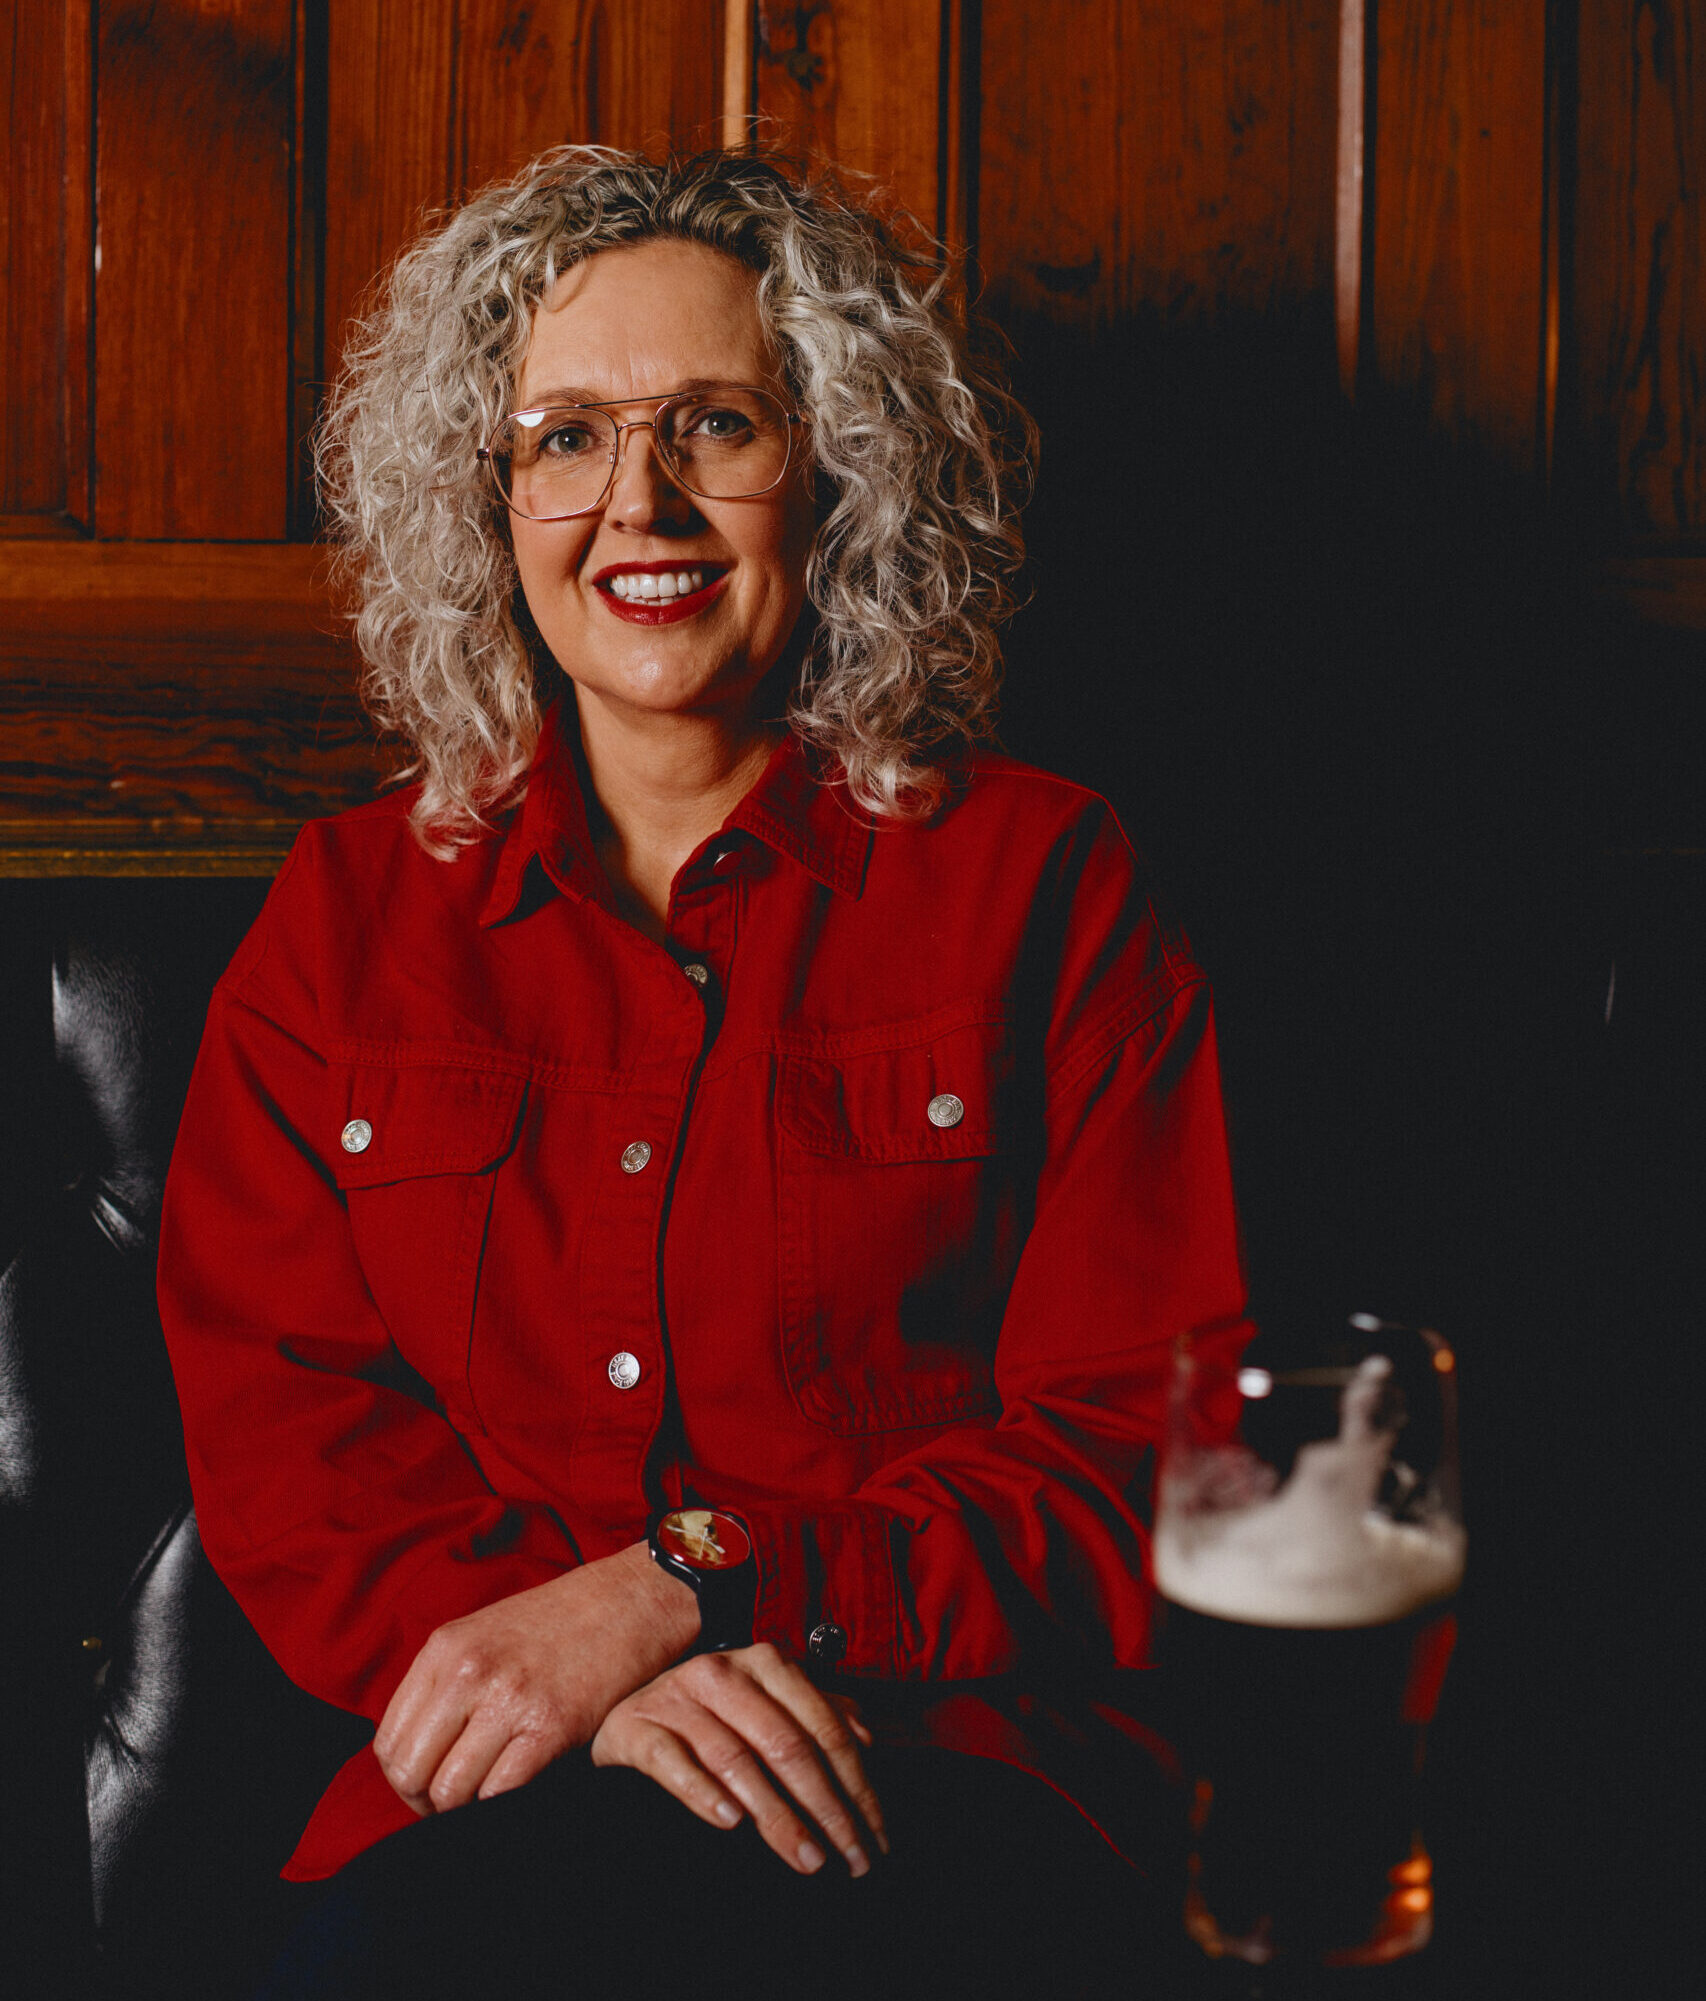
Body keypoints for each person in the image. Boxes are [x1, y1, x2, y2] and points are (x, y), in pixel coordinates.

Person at [157, 146, 1248, 1997]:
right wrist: (572, 1676)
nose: (633, 502)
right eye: (562, 435)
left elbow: (1144, 1452)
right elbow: (291, 1450)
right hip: (492, 1795)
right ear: (481, 497)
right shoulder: (341, 919)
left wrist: (692, 1584)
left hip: (942, 1770)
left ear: (839, 471)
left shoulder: (1045, 882)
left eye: (714, 424)